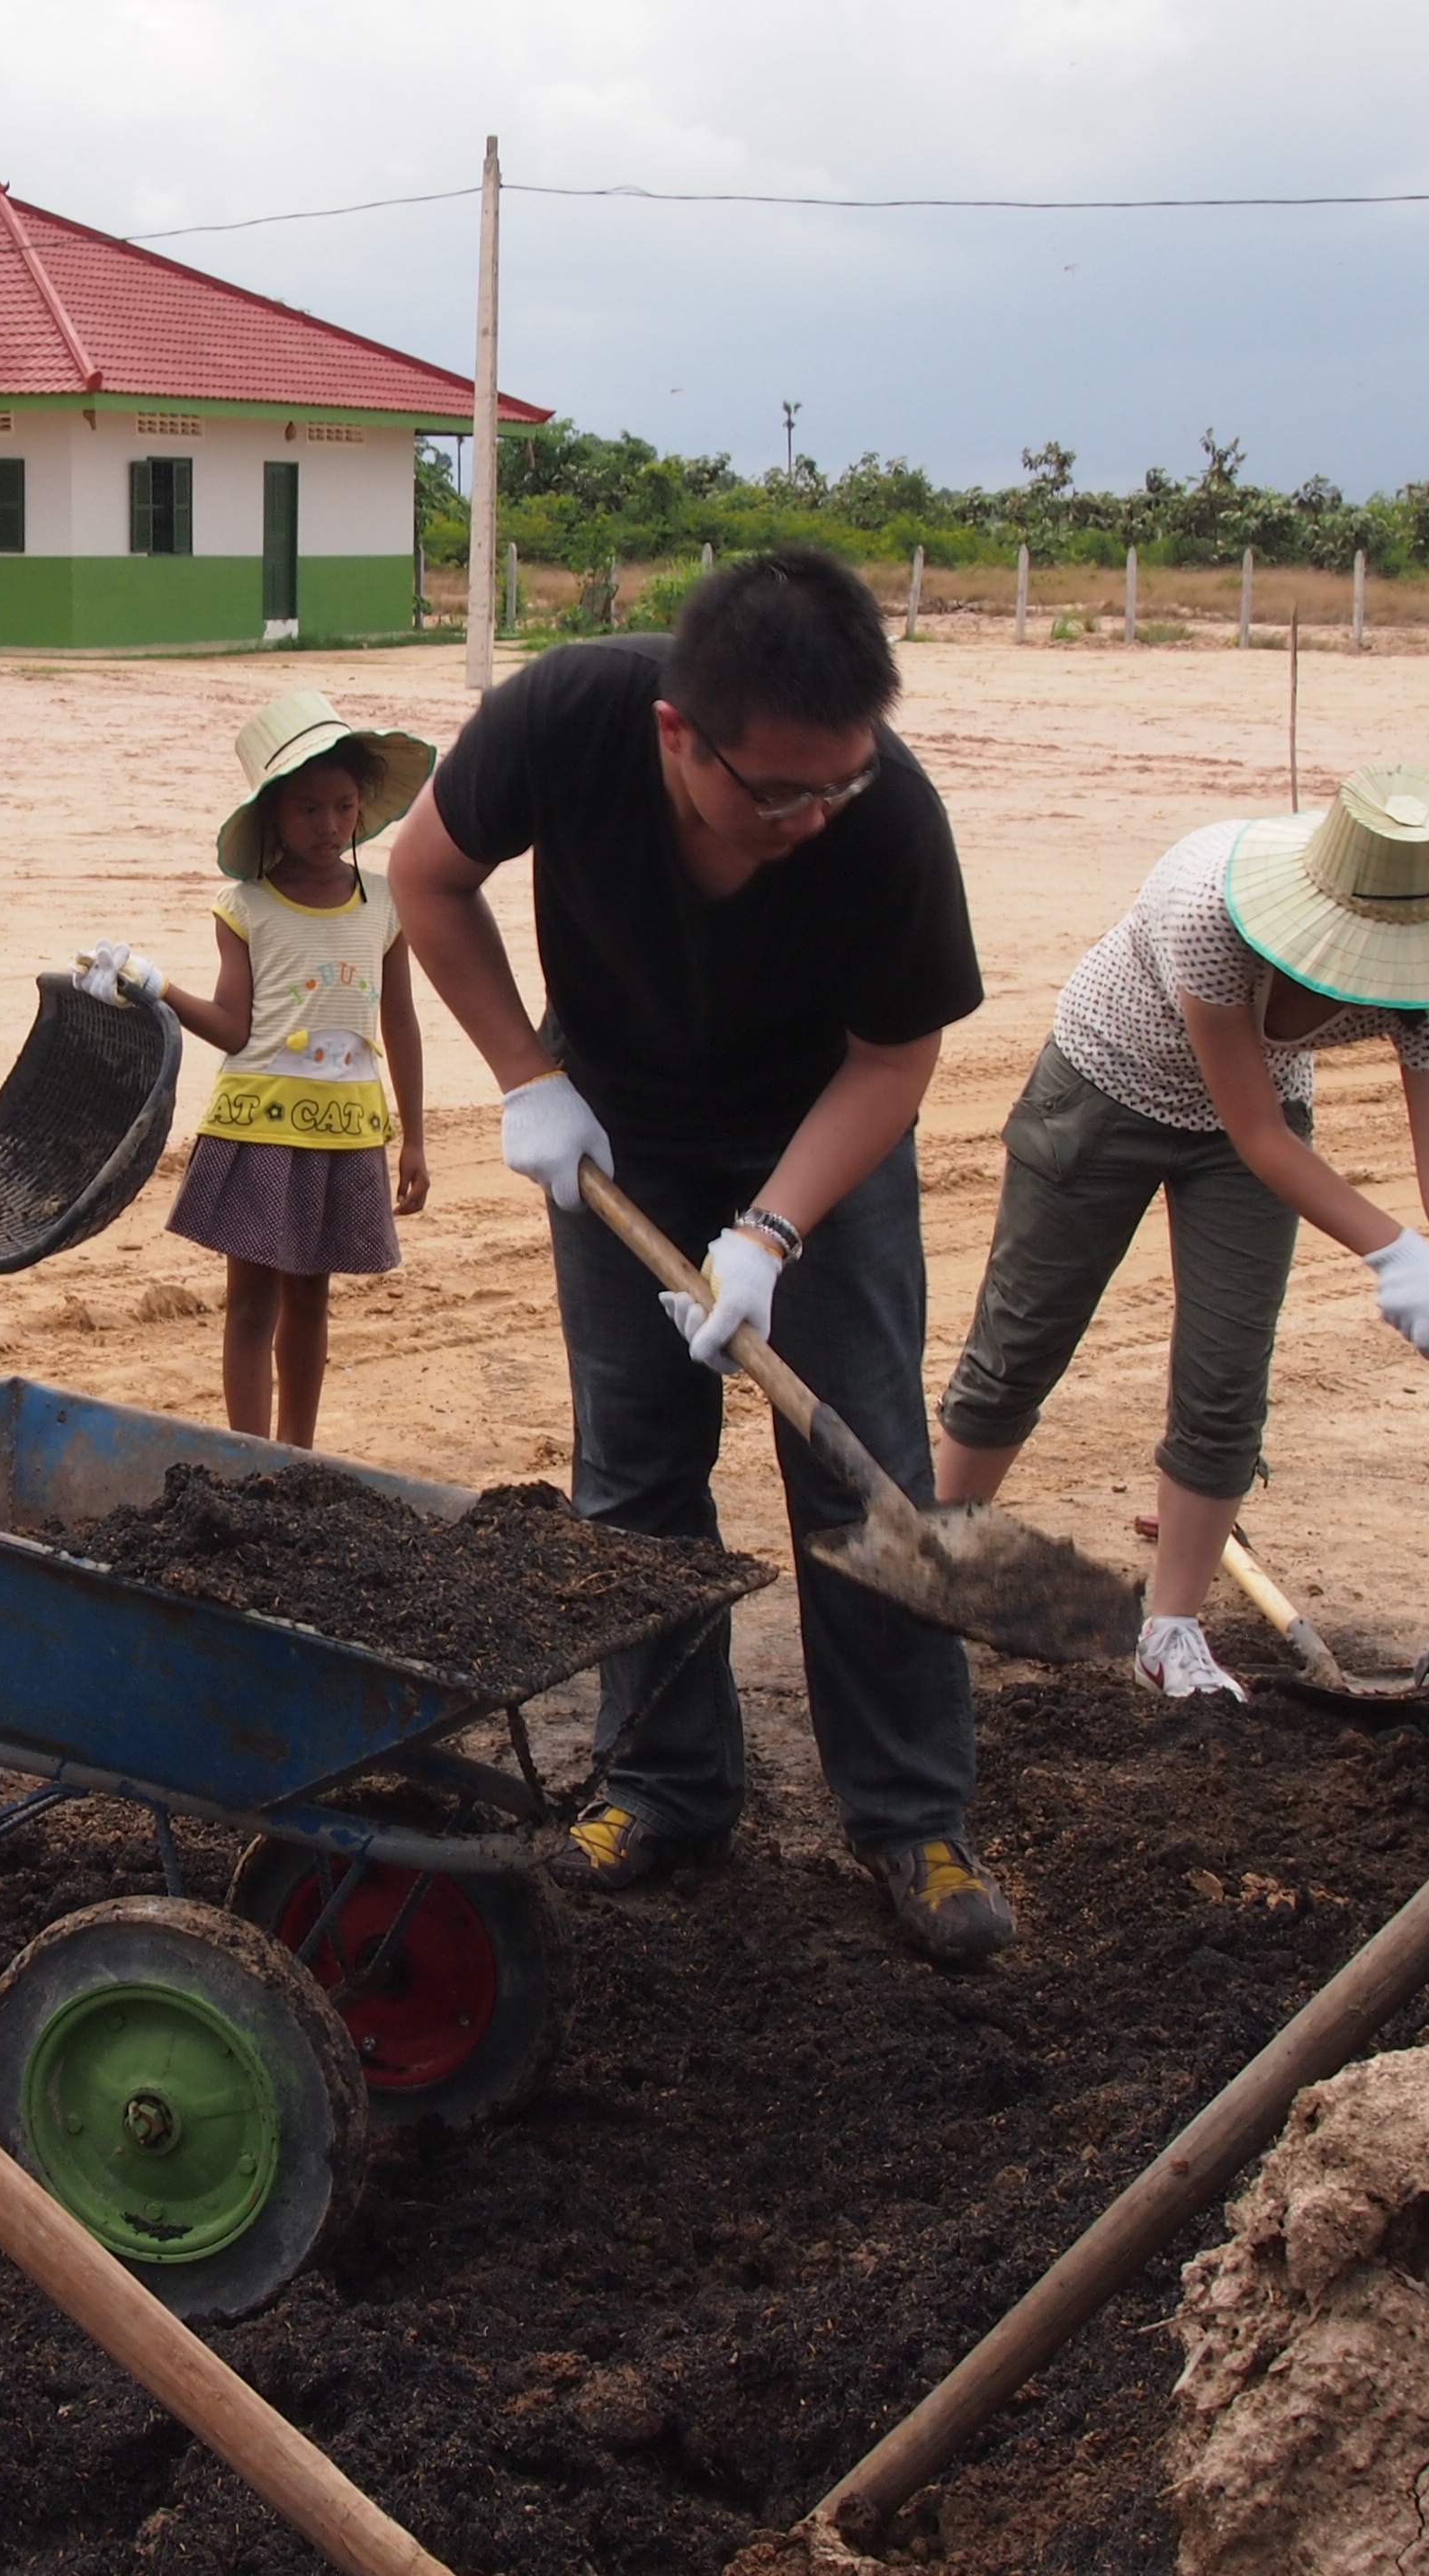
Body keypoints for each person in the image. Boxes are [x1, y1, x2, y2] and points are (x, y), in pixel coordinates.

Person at [391, 547, 1011, 1961]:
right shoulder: (566, 719)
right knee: (635, 1471)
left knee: (860, 1466)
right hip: (618, 1128)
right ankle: (666, 1786)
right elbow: (426, 878)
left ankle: (912, 1815)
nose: (812, 817)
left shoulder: (886, 817)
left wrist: (774, 1231)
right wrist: (523, 1079)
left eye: (837, 785)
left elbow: (894, 1055)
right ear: (681, 733)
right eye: (779, 791)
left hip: (819, 1147)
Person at [930, 767, 1429, 1700]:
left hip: (1253, 1128)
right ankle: (937, 1560)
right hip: (1107, 1085)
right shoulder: (1208, 911)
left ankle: (1169, 1629)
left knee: (1226, 1379)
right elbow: (1259, 1135)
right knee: (1020, 1343)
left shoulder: (1427, 984)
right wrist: (1391, 1248)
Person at [76, 691, 434, 1444]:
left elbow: (399, 1023)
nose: (329, 825)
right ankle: (249, 1460)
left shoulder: (386, 905)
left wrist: (416, 1138)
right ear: (273, 813)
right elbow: (234, 1029)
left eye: (342, 807)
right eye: (308, 809)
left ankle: (296, 1458)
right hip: (258, 1128)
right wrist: (154, 985)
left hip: (346, 1132)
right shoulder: (244, 908)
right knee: (250, 1307)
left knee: (311, 1302)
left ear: (362, 809)